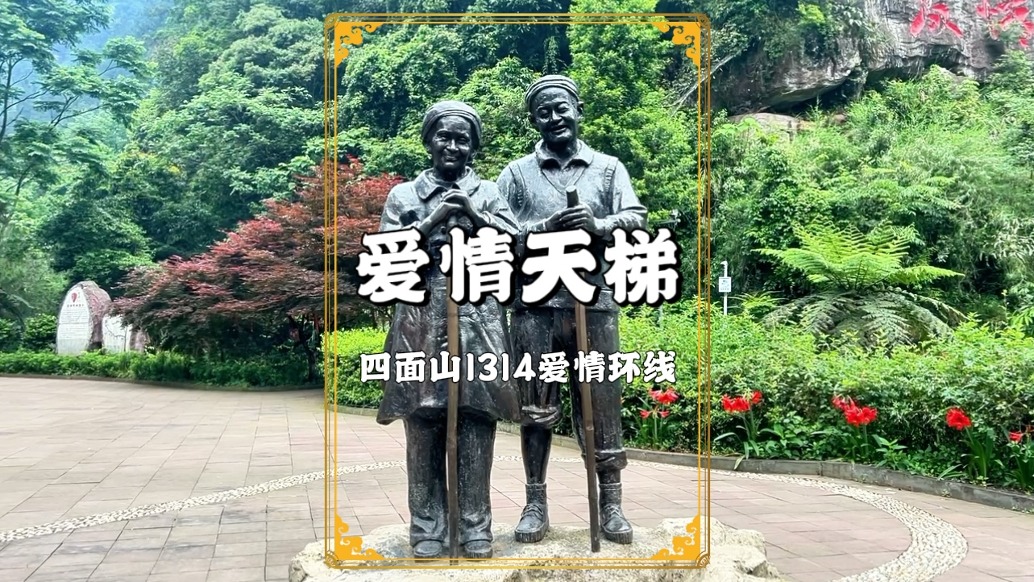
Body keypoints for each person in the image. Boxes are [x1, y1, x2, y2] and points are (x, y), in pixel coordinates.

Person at [496, 75, 647, 545]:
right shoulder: (517, 174)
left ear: (578, 110)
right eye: (543, 112)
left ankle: (611, 504)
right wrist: (541, 228)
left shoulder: (608, 169)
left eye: (561, 108)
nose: (554, 117)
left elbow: (637, 218)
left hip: (593, 304)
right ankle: (534, 502)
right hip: (535, 308)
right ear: (533, 121)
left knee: (602, 404)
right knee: (536, 407)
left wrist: (600, 224)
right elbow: (496, 231)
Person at [374, 100, 521, 560]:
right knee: (423, 418)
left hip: (478, 313)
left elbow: (518, 247)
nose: (453, 146)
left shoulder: (490, 192)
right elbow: (385, 253)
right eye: (444, 136)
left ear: (473, 146)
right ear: (429, 141)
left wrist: (476, 217)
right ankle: (427, 525)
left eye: (462, 139)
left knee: (477, 417)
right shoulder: (403, 195)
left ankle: (475, 524)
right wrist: (431, 221)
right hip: (420, 316)